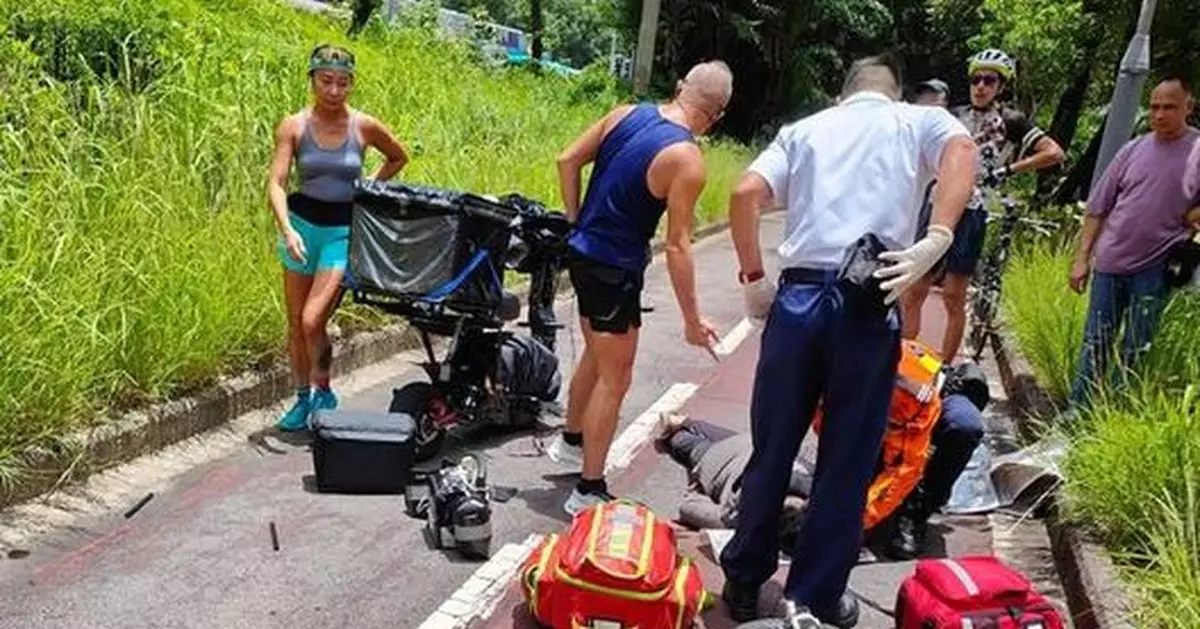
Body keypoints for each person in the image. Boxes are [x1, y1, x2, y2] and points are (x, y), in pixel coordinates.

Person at [719, 55, 978, 628]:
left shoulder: (804, 130)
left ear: (842, 95)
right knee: (846, 458)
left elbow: (743, 195)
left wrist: (754, 279)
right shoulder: (917, 122)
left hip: (799, 298)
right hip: (868, 299)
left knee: (773, 445)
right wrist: (938, 236)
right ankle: (812, 594)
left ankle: (743, 581)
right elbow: (963, 152)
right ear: (895, 94)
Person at [544, 61, 733, 516]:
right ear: (719, 113)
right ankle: (588, 489)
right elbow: (679, 244)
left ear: (681, 87)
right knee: (616, 377)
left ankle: (571, 442)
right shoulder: (687, 159)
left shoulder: (625, 113)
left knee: (595, 352)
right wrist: (692, 321)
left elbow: (567, 160)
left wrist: (574, 221)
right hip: (615, 269)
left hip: (583, 255)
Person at [266, 44, 409, 431]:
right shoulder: (293, 126)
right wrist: (287, 228)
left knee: (314, 320)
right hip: (301, 228)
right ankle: (301, 399)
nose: (333, 90)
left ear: (352, 85)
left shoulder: (364, 126)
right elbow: (277, 183)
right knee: (295, 322)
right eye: (326, 81)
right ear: (312, 79)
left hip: (341, 231)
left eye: (342, 83)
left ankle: (324, 389)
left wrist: (369, 189)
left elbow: (399, 156)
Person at [902, 49, 1065, 362]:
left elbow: (1053, 152)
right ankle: (900, 362)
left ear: (1001, 86)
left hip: (974, 209)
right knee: (914, 289)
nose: (981, 86)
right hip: (938, 202)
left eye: (989, 80)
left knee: (953, 295)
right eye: (976, 79)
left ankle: (944, 370)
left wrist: (1007, 170)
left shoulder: (1011, 120)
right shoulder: (955, 115)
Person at [1067, 76, 1200, 409]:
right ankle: (1076, 417)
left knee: (1135, 349)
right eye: (1154, 107)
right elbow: (1098, 207)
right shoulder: (1134, 149)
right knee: (1095, 344)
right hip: (1110, 263)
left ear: (1188, 107)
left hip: (1156, 266)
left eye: (1169, 107)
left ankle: (1112, 416)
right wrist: (1082, 258)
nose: (1159, 115)